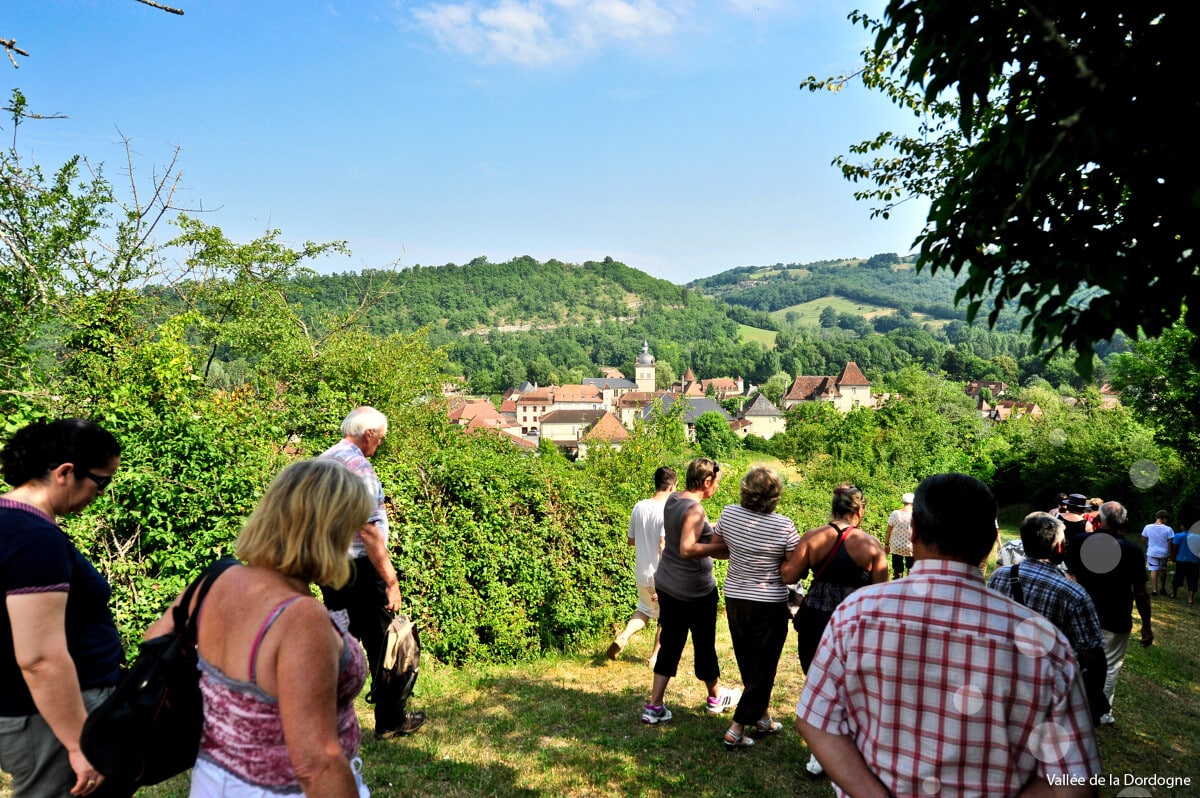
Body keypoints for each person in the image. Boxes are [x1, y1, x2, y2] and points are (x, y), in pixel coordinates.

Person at [795, 473, 1101, 797]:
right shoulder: (1047, 645)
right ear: (989, 541)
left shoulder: (855, 614)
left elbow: (816, 722)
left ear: (912, 534)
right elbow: (1075, 783)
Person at [145, 459, 373, 797]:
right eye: (350, 528)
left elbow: (154, 641)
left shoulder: (218, 579)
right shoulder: (301, 618)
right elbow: (316, 764)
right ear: (330, 531)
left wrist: (228, 704)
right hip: (282, 790)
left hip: (211, 778)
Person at [0, 419, 122, 798]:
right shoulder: (34, 538)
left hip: (31, 711)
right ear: (65, 473)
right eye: (102, 482)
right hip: (47, 720)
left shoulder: (10, 523)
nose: (100, 494)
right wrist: (76, 744)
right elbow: (40, 657)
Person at [319, 406, 424, 737]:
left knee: (339, 641)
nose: (379, 444)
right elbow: (367, 531)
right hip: (360, 569)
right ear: (368, 435)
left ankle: (328, 719)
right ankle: (391, 720)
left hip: (328, 564)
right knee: (386, 642)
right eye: (380, 439)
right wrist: (392, 582)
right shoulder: (360, 470)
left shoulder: (325, 459)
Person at [783, 484, 887, 774]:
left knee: (816, 680)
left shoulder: (814, 536)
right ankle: (849, 745)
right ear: (859, 510)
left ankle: (819, 753)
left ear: (834, 508)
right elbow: (880, 593)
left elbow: (790, 575)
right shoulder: (871, 545)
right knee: (849, 684)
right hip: (853, 621)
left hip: (815, 617)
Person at [641, 458, 740, 725]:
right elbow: (687, 548)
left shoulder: (673, 500)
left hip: (669, 585)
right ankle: (715, 697)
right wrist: (721, 549)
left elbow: (689, 533)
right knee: (704, 644)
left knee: (670, 644)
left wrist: (713, 533)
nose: (717, 486)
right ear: (706, 482)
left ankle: (655, 706)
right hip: (694, 592)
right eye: (716, 482)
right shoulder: (695, 509)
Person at [988, 512, 1107, 722]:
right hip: (1047, 691)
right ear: (1059, 546)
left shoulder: (1000, 576)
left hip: (1003, 678)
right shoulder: (1073, 593)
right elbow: (1093, 656)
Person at [711, 466, 799, 749]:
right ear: (775, 496)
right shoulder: (784, 525)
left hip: (736, 598)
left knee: (749, 661)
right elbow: (794, 569)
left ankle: (762, 718)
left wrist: (739, 553)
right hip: (768, 603)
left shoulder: (729, 514)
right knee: (764, 667)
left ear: (745, 490)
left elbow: (717, 547)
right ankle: (736, 727)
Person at [1065, 500, 1153, 726]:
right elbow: (1141, 593)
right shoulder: (1133, 551)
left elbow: (1070, 576)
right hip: (1116, 616)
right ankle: (1101, 712)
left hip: (1080, 614)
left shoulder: (1080, 541)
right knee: (1110, 666)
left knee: (1076, 661)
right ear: (1123, 521)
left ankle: (1073, 706)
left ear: (1098, 519)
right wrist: (1146, 625)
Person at [607, 466, 677, 665]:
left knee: (645, 610)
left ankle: (623, 637)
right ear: (672, 486)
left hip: (642, 572)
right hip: (661, 573)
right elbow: (663, 543)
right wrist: (666, 577)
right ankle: (655, 658)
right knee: (667, 617)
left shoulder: (639, 506)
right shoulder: (668, 510)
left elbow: (631, 540)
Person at [1141, 510, 1173, 596]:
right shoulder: (1168, 529)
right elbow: (1169, 542)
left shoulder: (1147, 527)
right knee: (1163, 570)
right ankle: (1163, 588)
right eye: (1166, 519)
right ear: (1164, 518)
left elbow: (1143, 539)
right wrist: (1170, 553)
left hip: (1152, 552)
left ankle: (1154, 590)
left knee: (1153, 569)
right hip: (1164, 552)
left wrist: (1149, 545)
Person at [883, 492, 914, 578]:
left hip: (896, 547)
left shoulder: (895, 513)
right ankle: (909, 582)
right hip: (911, 548)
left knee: (897, 568)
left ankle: (898, 580)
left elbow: (888, 531)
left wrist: (886, 544)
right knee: (911, 568)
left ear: (903, 502)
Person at [1169, 519, 1199, 604]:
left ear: (1183, 526)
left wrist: (1173, 557)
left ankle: (1174, 593)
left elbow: (1175, 548)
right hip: (1194, 561)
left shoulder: (1178, 536)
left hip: (1181, 560)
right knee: (1193, 579)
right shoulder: (1198, 537)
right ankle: (1190, 598)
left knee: (1178, 577)